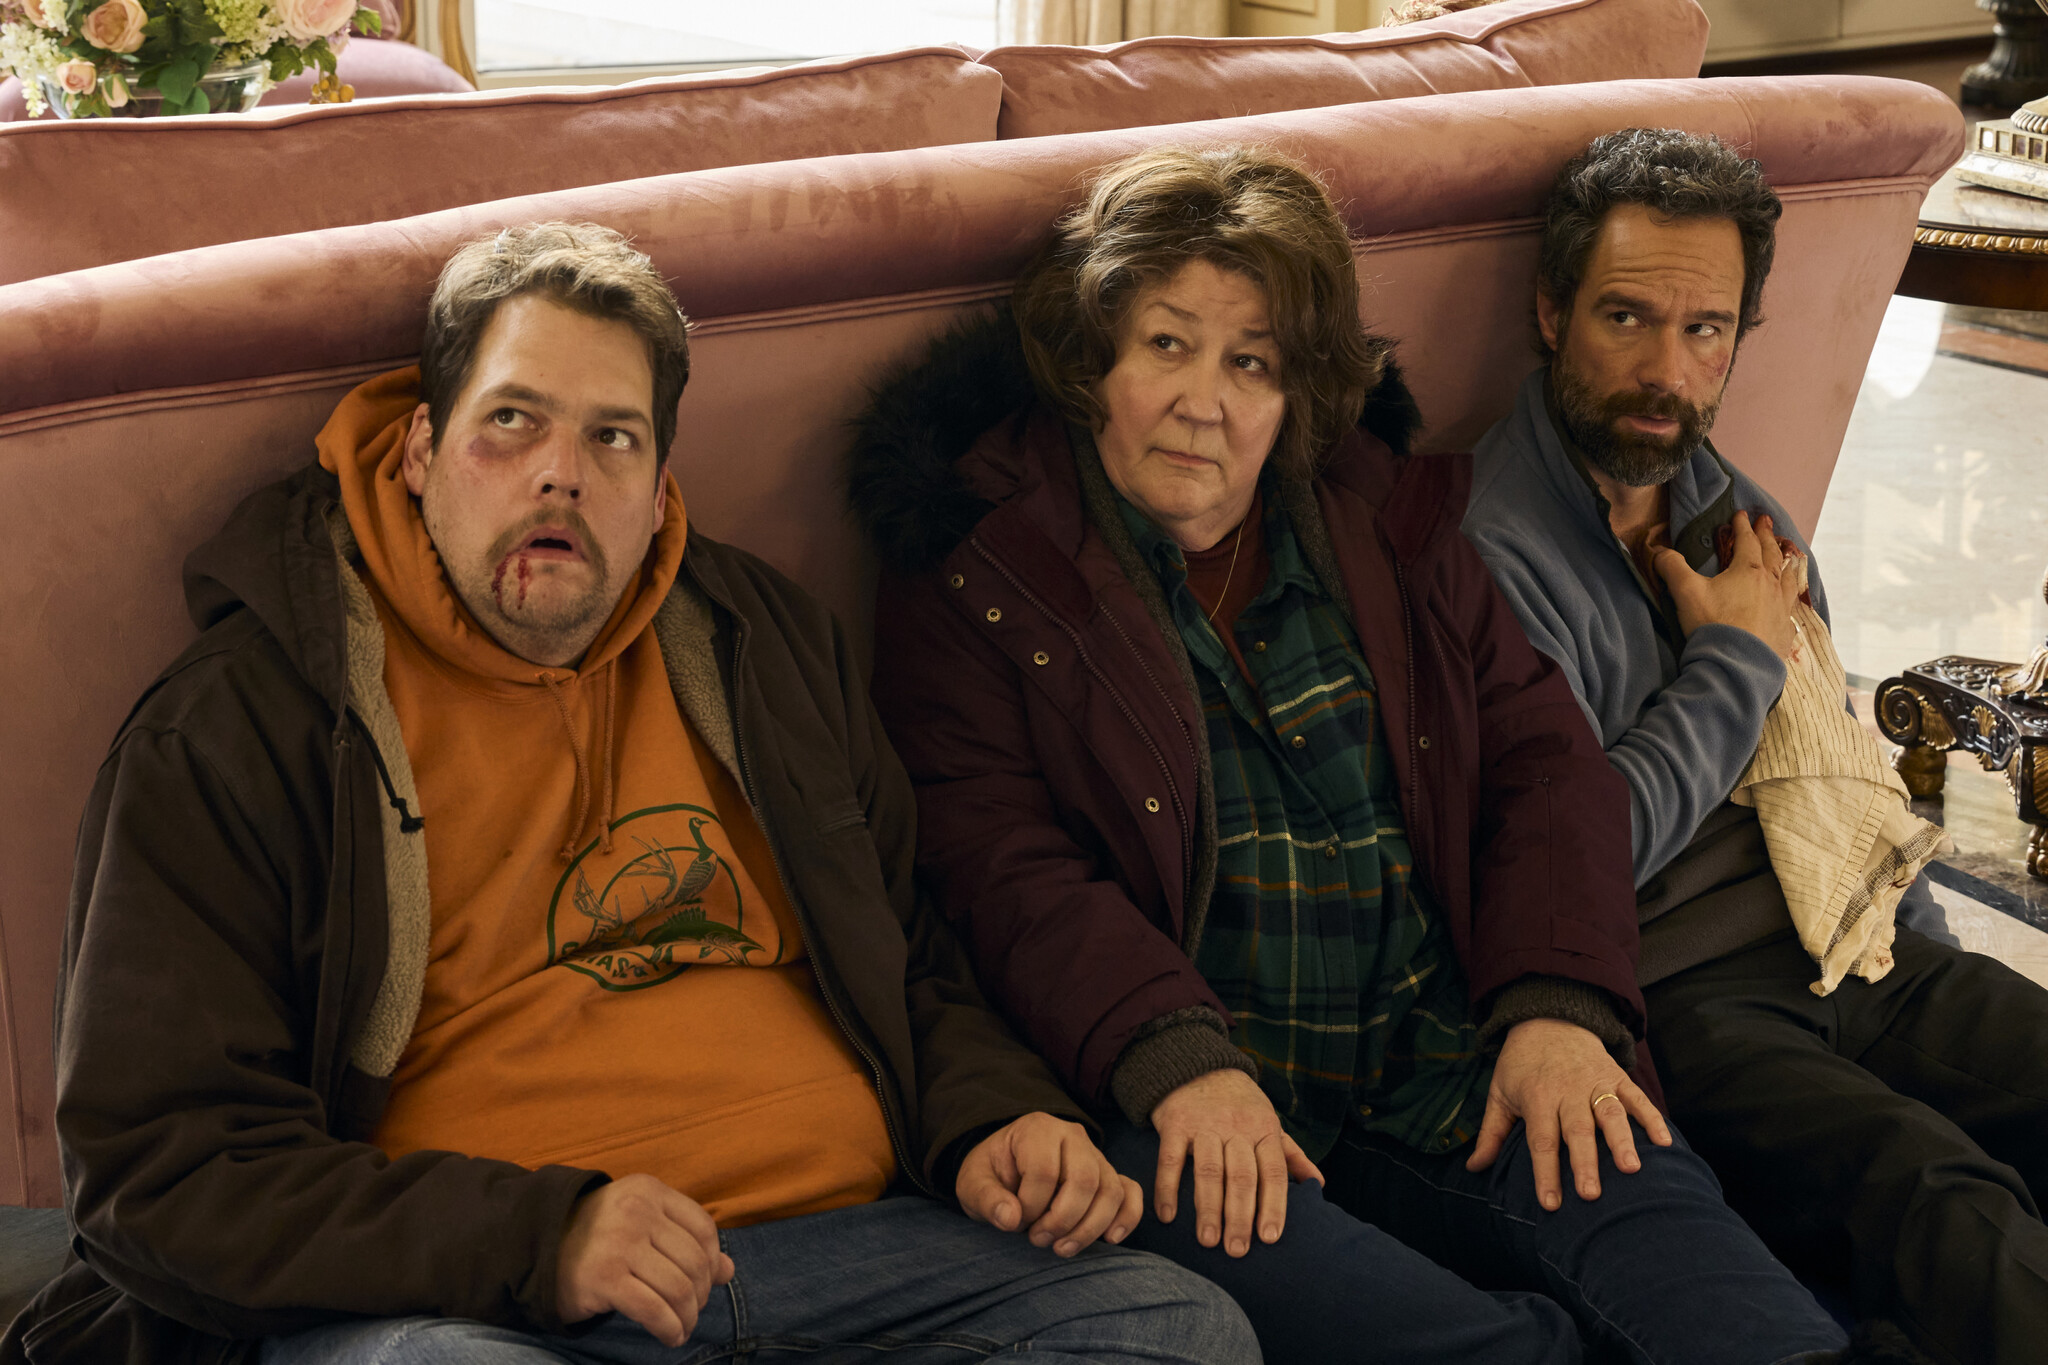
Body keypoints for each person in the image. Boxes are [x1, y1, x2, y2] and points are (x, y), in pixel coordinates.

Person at [4, 222, 1264, 1365]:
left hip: (855, 1255)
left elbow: (912, 959)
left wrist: (996, 1118)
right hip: (481, 1305)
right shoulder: (241, 720)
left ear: (659, 485)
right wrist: (540, 1239)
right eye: (512, 422)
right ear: (421, 451)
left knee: (1176, 1328)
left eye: (611, 438)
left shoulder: (763, 644)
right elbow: (158, 1172)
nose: (559, 474)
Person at [852, 146, 1866, 1364]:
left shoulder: (1380, 516)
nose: (1202, 402)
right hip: (1186, 1102)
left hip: (1444, 1049)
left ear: (1296, 392)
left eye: (1250, 362)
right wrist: (1174, 1058)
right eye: (1165, 345)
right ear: (1090, 362)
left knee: (1739, 1316)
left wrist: (1554, 1007)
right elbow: (1000, 867)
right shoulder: (981, 565)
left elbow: (1544, 766)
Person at [1461, 127, 2048, 1365]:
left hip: (1843, 953)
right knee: (1941, 1199)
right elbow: (1570, 864)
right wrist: (1733, 660)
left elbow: (1837, 772)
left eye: (1704, 330)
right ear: (1550, 313)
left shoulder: (1742, 519)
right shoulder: (1486, 559)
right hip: (1682, 1003)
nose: (1663, 371)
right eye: (1624, 318)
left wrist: (1908, 945)